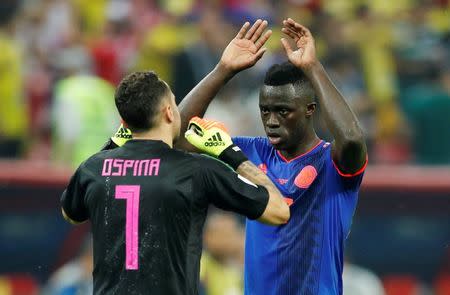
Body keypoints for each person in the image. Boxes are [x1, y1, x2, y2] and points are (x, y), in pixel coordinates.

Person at [177, 18, 368, 295]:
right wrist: (223, 70)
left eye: (283, 111)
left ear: (309, 109)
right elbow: (178, 137)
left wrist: (312, 67)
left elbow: (351, 138)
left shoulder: (332, 163)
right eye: (265, 111)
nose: (271, 121)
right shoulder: (251, 152)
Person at [60, 68, 290, 294]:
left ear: (124, 121)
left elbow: (70, 213)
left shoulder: (93, 168)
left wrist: (111, 146)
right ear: (170, 112)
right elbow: (278, 211)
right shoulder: (196, 169)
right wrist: (229, 152)